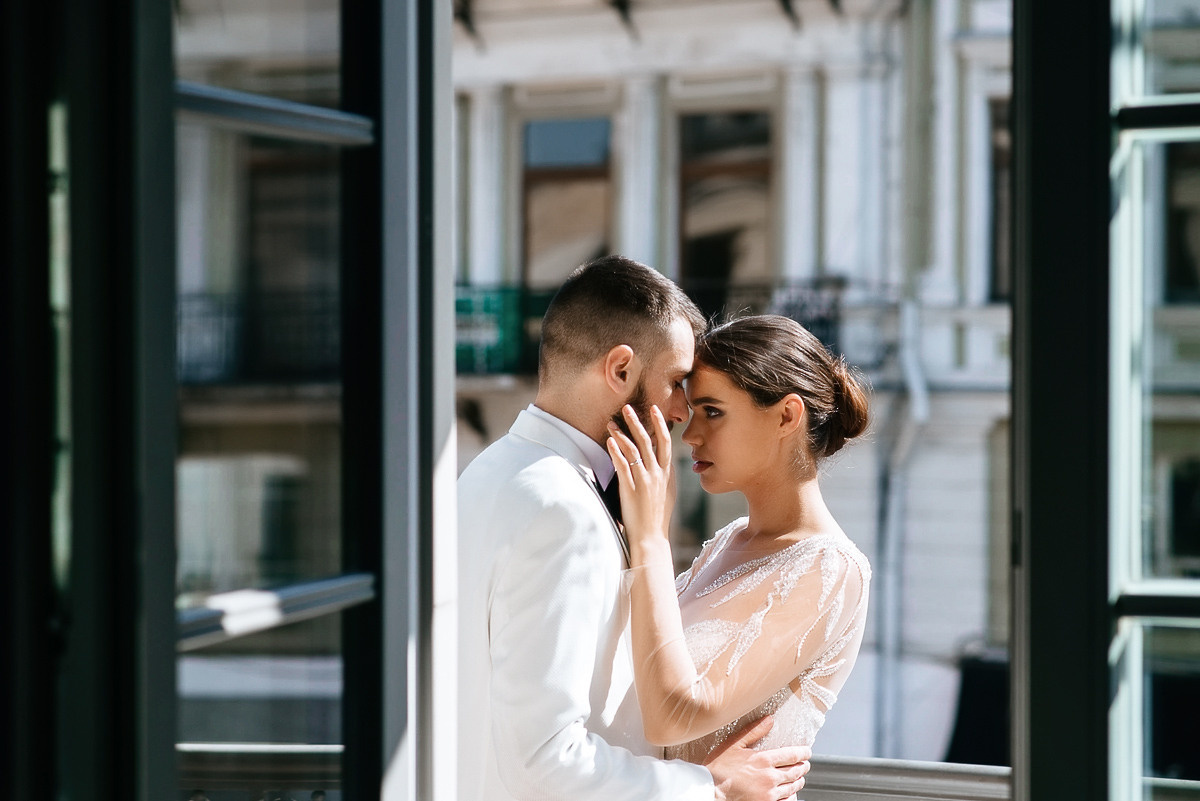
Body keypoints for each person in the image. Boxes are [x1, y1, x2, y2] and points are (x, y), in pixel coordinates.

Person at [457, 257, 813, 801]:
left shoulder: (484, 473)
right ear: (620, 369)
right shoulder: (565, 512)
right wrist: (709, 788)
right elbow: (543, 759)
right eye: (675, 382)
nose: (682, 411)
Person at [606, 314, 872, 764]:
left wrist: (650, 538)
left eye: (713, 411)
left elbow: (673, 716)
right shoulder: (726, 542)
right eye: (692, 413)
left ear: (786, 415)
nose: (689, 434)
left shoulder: (832, 568)